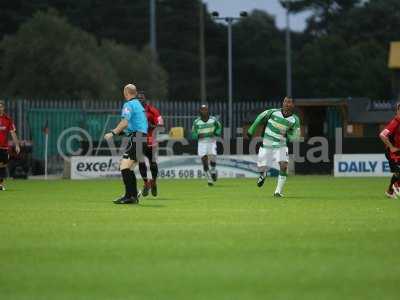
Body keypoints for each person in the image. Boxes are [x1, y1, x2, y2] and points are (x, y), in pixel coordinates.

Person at [247, 97, 300, 198]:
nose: (286, 104)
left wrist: (290, 136)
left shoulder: (295, 119)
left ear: (293, 105)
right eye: (285, 101)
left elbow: (296, 135)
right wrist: (251, 130)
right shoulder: (272, 112)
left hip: (281, 145)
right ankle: (263, 174)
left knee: (283, 166)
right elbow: (260, 117)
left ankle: (278, 192)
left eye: (289, 102)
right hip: (266, 145)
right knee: (262, 168)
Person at [104, 84, 148, 204]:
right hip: (141, 138)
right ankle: (132, 195)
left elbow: (124, 122)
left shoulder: (128, 105)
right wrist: (121, 132)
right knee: (128, 167)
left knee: (124, 167)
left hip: (137, 138)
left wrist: (113, 133)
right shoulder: (139, 105)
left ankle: (130, 196)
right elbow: (133, 125)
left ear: (125, 92)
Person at [137, 91, 164, 197]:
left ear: (145, 99)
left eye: (141, 98)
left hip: (151, 140)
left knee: (152, 163)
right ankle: (146, 183)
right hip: (138, 140)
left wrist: (150, 126)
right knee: (140, 162)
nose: (140, 100)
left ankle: (153, 183)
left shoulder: (153, 111)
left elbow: (161, 125)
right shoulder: (135, 112)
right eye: (138, 98)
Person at [191, 105, 222, 186]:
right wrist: (197, 136)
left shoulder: (213, 120)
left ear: (208, 111)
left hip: (212, 142)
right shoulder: (196, 122)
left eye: (206, 110)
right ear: (200, 111)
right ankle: (209, 180)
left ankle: (213, 170)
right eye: (202, 110)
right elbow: (193, 133)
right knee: (204, 161)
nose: (204, 111)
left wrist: (216, 133)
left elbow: (219, 127)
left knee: (213, 158)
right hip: (202, 143)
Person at [379, 102, 400, 198]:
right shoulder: (395, 122)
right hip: (392, 152)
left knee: (397, 173)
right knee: (398, 172)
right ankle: (394, 188)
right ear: (398, 110)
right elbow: (382, 135)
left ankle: (391, 191)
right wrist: (391, 147)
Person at [0, 100, 20, 191]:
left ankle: (0, 184)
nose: (0, 108)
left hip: (4, 147)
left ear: (3, 108)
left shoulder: (8, 119)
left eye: (1, 106)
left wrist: (17, 145)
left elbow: (13, 133)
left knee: (3, 165)